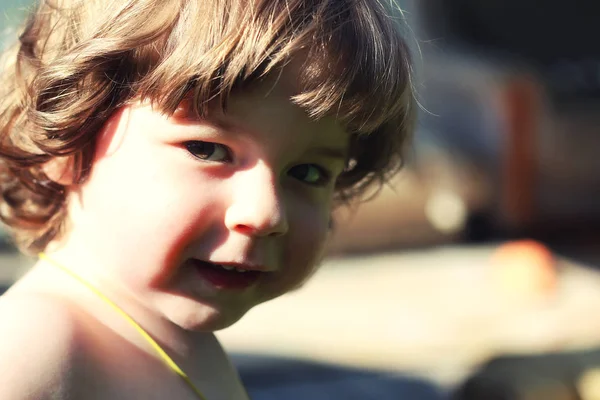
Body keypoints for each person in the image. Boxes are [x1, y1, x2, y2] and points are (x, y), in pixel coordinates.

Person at [0, 0, 415, 398]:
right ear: (66, 145)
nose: (266, 213)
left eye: (307, 173)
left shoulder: (169, 340)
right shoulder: (35, 343)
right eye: (206, 150)